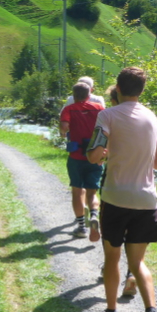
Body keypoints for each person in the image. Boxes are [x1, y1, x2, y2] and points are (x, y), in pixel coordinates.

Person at [87, 67, 157, 312]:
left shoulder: (107, 115)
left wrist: (106, 152)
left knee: (112, 258)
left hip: (115, 199)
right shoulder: (152, 117)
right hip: (146, 201)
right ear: (142, 91)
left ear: (118, 89)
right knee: (137, 262)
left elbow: (93, 155)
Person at [102, 84, 138, 298]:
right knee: (135, 237)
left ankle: (109, 268)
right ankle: (131, 274)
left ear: (115, 99)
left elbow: (99, 152)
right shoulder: (144, 117)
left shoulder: (110, 117)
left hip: (114, 185)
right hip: (141, 187)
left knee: (112, 237)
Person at [60, 82, 105, 239]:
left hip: (76, 156)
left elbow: (64, 127)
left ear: (74, 96)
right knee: (92, 192)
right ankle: (94, 215)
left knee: (77, 191)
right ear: (89, 94)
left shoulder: (69, 109)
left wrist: (65, 131)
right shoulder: (99, 108)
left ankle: (81, 228)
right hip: (95, 155)